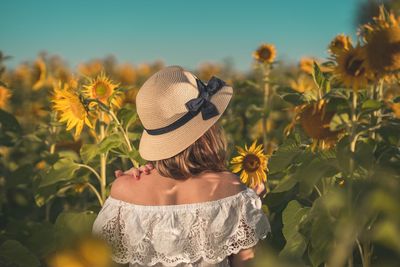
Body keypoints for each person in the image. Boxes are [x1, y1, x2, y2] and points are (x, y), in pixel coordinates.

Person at [92, 66, 271, 267]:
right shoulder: (230, 189)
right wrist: (252, 208)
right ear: (208, 131)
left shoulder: (123, 190)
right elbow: (246, 263)